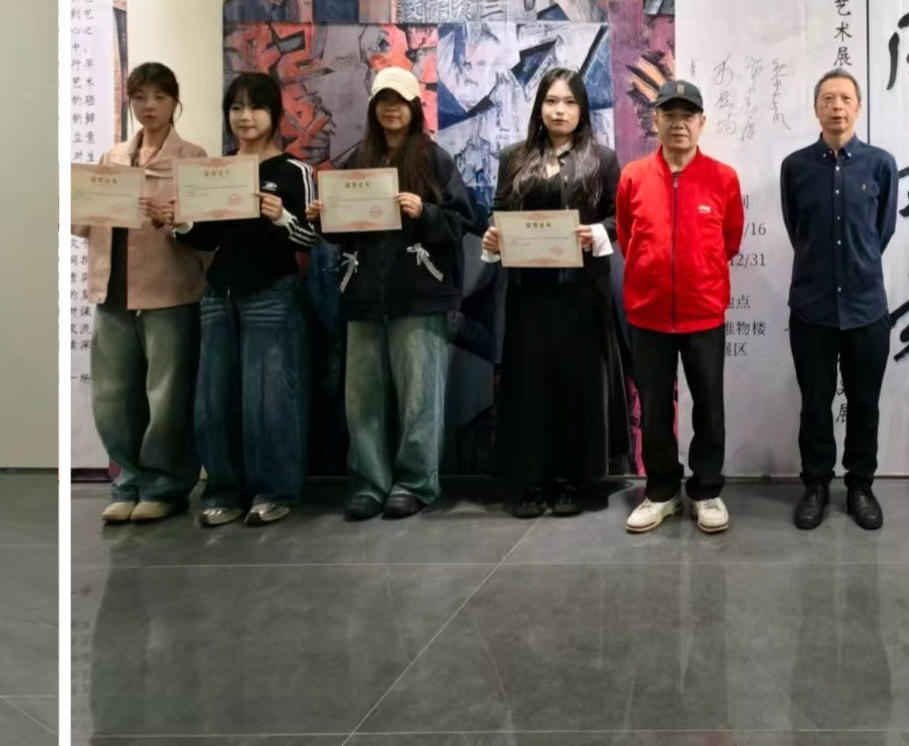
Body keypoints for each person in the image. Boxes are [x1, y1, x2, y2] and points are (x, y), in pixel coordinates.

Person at [305, 66, 474, 522]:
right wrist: (324, 217)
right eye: (383, 100)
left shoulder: (435, 159)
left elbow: (463, 221)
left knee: (420, 396)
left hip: (420, 294)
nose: (391, 109)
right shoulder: (356, 161)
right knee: (362, 397)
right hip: (362, 295)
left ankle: (416, 483)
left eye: (399, 100)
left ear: (415, 107)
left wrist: (426, 212)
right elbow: (339, 234)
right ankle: (368, 483)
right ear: (373, 107)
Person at [479, 67, 621, 520]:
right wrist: (493, 237)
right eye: (552, 101)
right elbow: (499, 212)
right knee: (530, 387)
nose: (560, 110)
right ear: (539, 107)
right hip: (529, 295)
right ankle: (532, 479)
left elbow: (620, 219)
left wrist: (595, 233)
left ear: (583, 110)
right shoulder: (514, 158)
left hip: (582, 295)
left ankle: (575, 480)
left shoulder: (603, 160)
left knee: (576, 387)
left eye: (570, 102)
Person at [176, 71, 316, 527]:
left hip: (271, 293)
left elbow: (310, 239)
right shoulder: (220, 170)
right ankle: (223, 492)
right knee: (212, 400)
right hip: (218, 294)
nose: (245, 117)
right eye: (236, 108)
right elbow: (209, 237)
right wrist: (179, 223)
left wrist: (281, 217)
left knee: (271, 400)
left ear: (274, 115)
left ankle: (275, 491)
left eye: (255, 107)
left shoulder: (294, 171)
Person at [78, 63, 208, 524]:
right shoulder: (112, 157)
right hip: (112, 289)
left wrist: (175, 218)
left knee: (167, 396)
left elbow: (208, 232)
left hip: (169, 289)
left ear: (175, 103)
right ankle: (127, 481)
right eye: (139, 97)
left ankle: (166, 486)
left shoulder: (192, 158)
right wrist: (75, 202)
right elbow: (83, 225)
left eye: (159, 97)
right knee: (112, 396)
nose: (148, 106)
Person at [616, 80, 744, 535]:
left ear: (702, 122)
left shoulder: (723, 178)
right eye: (669, 114)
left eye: (688, 115)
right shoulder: (633, 176)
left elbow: (730, 240)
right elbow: (626, 236)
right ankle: (662, 490)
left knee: (709, 406)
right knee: (653, 409)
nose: (679, 123)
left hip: (703, 312)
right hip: (648, 312)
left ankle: (706, 489)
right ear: (655, 120)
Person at [779, 70, 898, 531]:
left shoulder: (880, 164)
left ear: (859, 107)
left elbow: (881, 231)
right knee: (815, 403)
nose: (837, 107)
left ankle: (860, 486)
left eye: (846, 98)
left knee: (865, 404)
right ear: (816, 108)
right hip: (812, 308)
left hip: (867, 308)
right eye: (828, 98)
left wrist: (857, 267)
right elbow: (797, 229)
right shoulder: (795, 166)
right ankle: (815, 486)